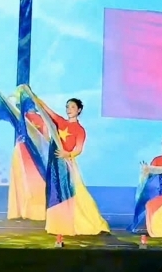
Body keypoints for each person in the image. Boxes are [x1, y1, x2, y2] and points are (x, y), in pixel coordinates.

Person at [28, 94, 111, 236]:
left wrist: (67, 154)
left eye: (73, 107)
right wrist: (33, 96)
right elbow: (47, 110)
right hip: (55, 165)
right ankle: (59, 223)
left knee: (75, 194)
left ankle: (84, 221)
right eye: (67, 107)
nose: (69, 109)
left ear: (79, 110)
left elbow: (78, 149)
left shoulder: (80, 130)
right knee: (56, 192)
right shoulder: (60, 122)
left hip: (67, 165)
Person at [0, 82, 46, 221]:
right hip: (22, 151)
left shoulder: (39, 118)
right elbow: (7, 104)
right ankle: (24, 211)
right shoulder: (20, 117)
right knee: (23, 181)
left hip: (34, 153)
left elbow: (45, 138)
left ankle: (34, 212)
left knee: (35, 183)